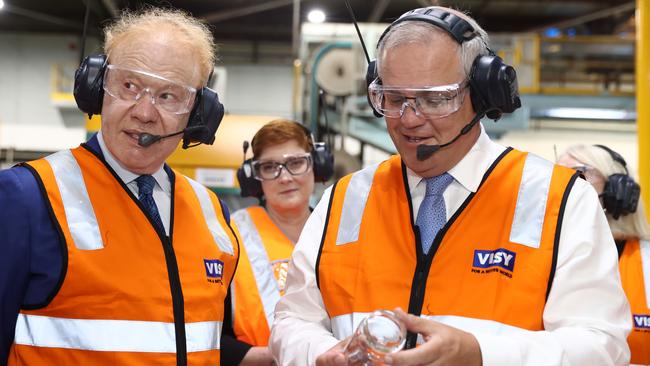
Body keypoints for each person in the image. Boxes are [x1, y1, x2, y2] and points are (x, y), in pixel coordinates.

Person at [269, 6, 631, 366]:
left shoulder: (561, 200)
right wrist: (319, 353)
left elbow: (601, 345)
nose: (409, 119)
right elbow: (293, 320)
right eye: (394, 99)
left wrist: (482, 354)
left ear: (483, 92)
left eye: (434, 99)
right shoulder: (345, 200)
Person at [0, 8, 240, 366]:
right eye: (129, 86)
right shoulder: (26, 196)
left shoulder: (211, 211)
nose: (144, 112)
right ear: (97, 87)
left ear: (198, 113)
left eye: (168, 96)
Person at [221, 119, 328, 365]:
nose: (285, 177)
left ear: (317, 165)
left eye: (296, 163)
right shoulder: (230, 238)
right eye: (270, 167)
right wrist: (269, 357)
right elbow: (203, 330)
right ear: (254, 177)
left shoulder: (341, 234)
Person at [558, 144, 650, 365]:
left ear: (619, 191)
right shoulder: (546, 255)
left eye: (579, 174)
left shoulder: (645, 260)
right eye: (557, 175)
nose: (563, 185)